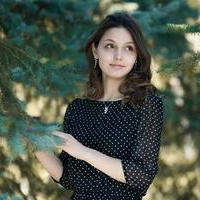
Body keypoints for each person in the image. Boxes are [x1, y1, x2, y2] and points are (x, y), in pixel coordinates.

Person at [35, 12, 164, 200]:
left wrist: (83, 151)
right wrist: (35, 143)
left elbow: (142, 175)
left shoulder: (146, 104)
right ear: (96, 50)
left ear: (137, 55)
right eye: (110, 46)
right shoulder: (77, 108)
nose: (119, 56)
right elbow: (69, 178)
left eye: (129, 48)